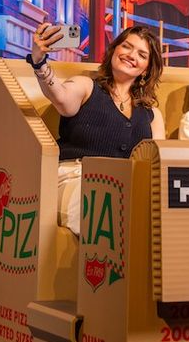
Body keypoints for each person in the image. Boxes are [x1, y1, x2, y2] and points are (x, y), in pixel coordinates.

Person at [27, 23, 166, 233]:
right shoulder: (86, 86)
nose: (131, 55)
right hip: (74, 179)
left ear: (146, 68)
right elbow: (61, 98)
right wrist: (39, 63)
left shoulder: (152, 114)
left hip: (124, 188)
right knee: (104, 210)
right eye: (126, 47)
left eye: (141, 54)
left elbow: (158, 164)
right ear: (114, 50)